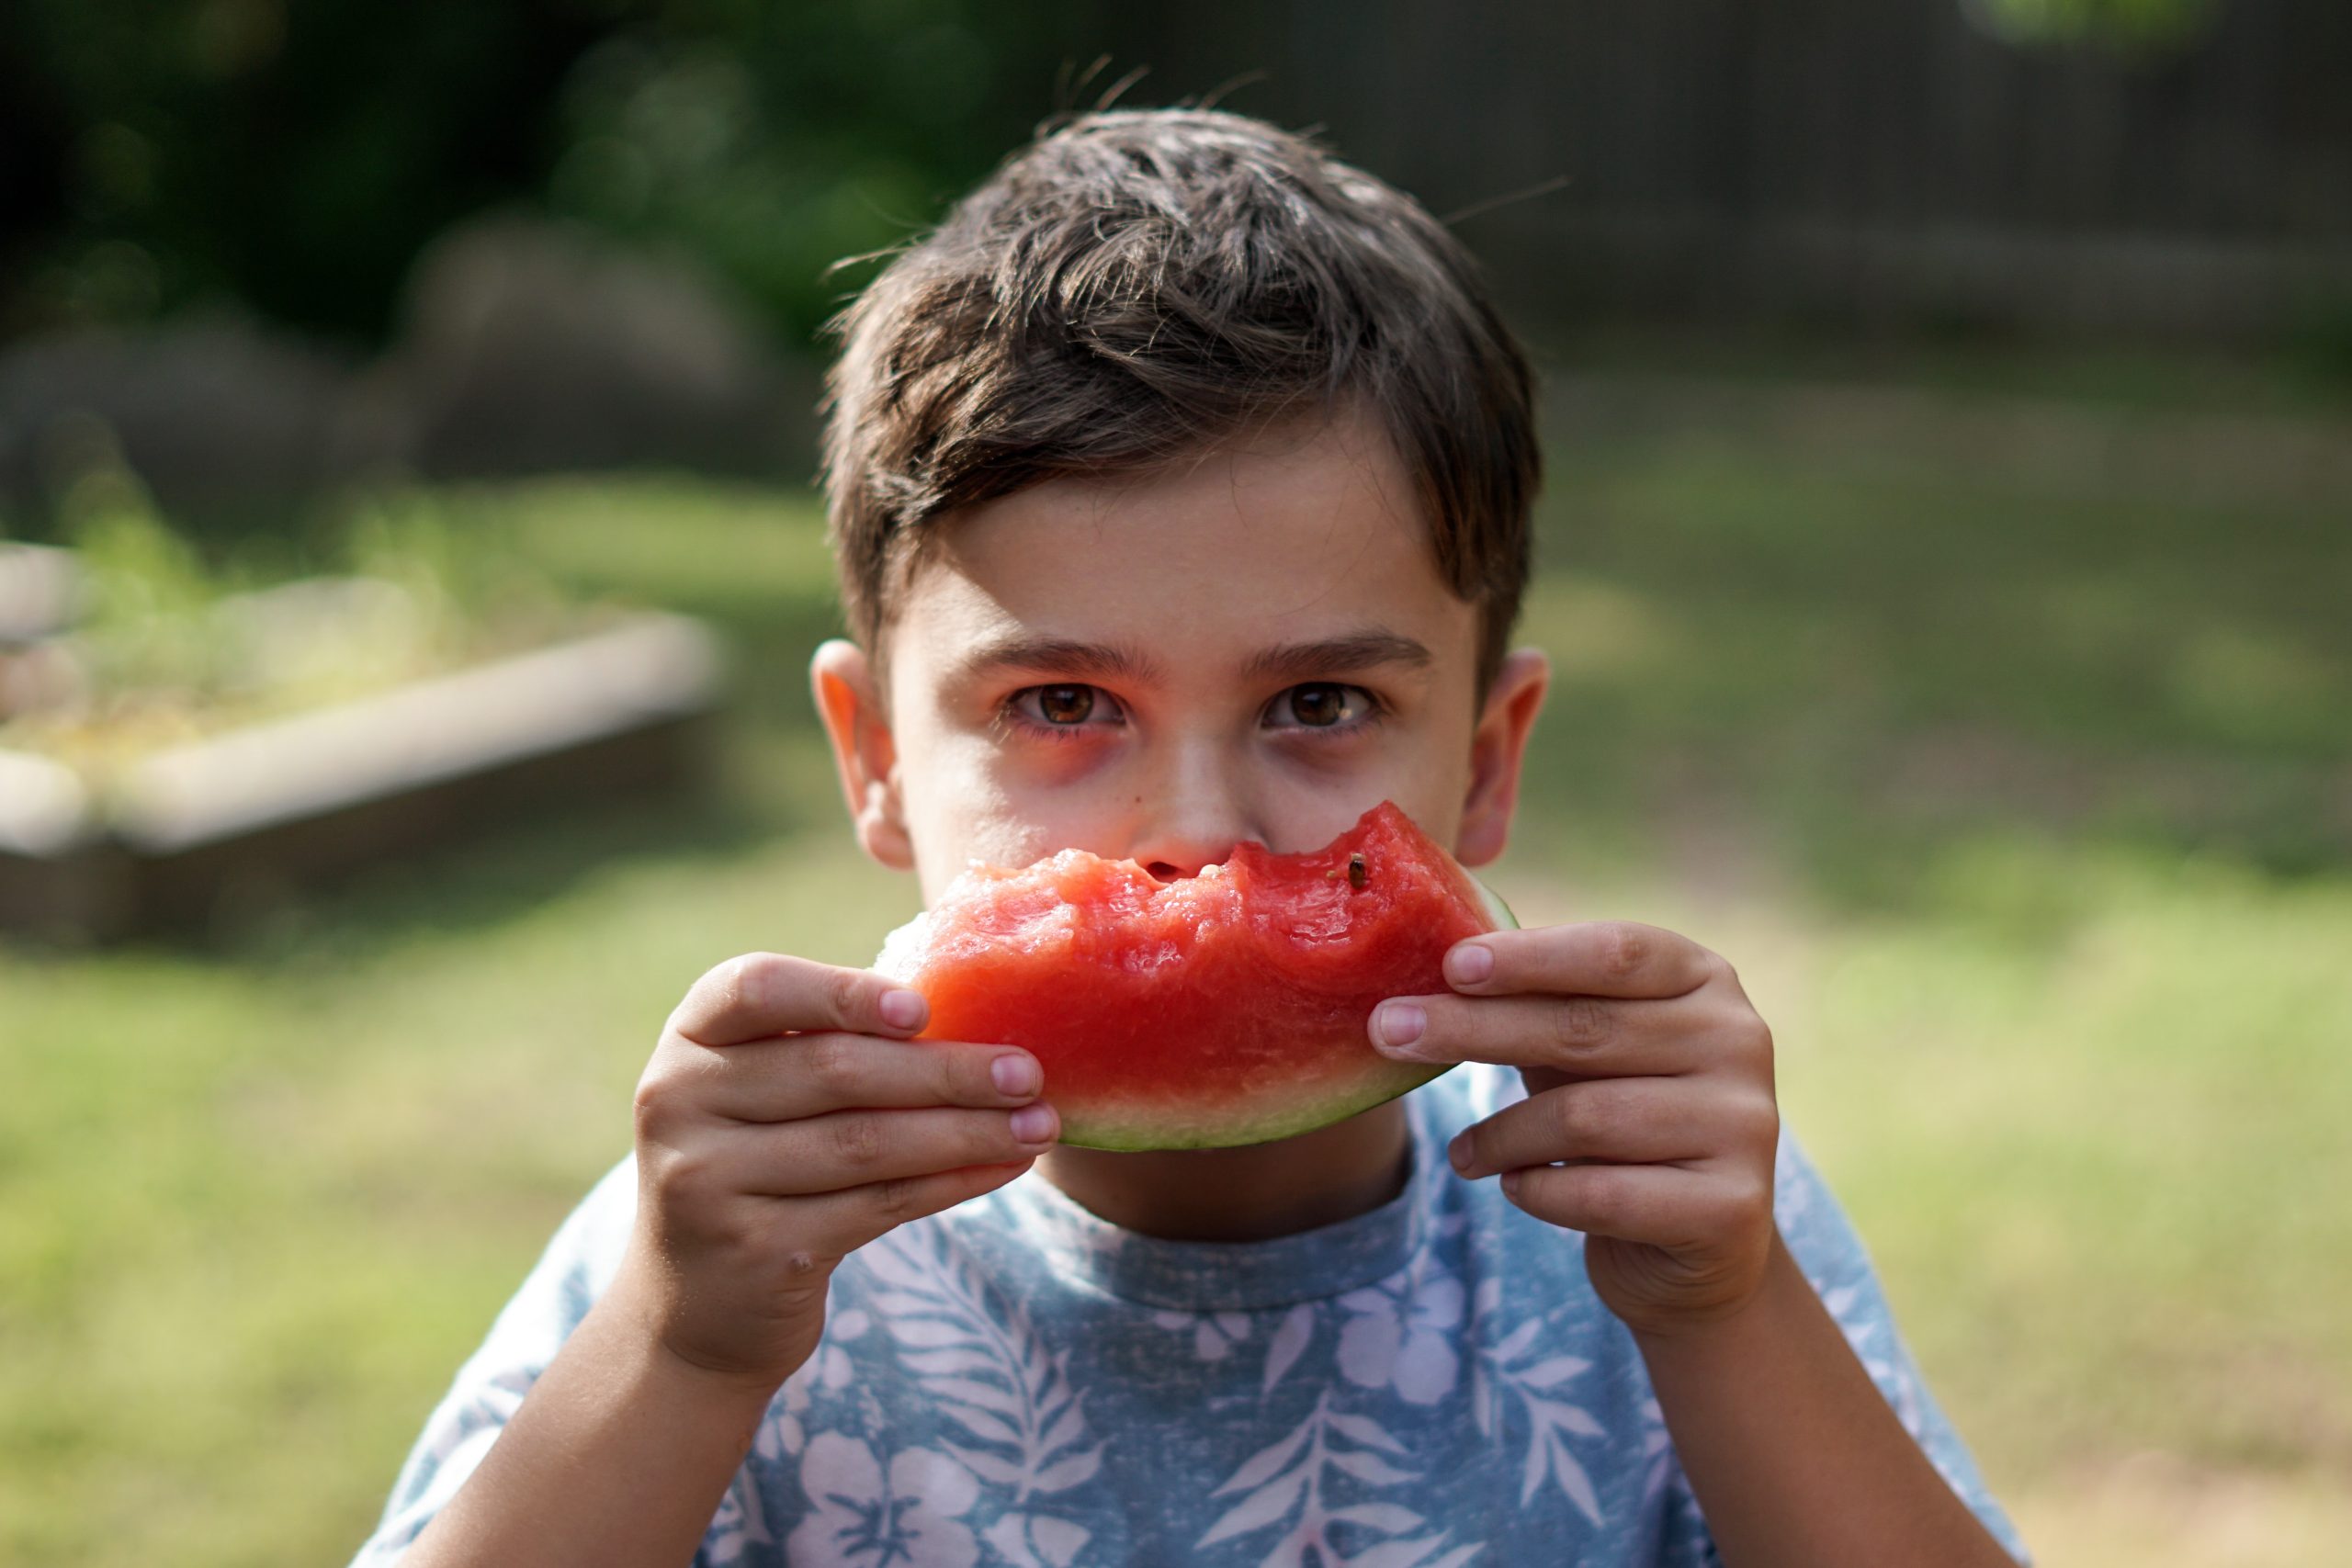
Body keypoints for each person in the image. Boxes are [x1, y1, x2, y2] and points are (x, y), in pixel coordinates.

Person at [352, 107, 2030, 1567]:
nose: (1195, 833)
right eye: (1064, 706)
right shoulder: (729, 1248)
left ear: (1490, 758)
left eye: (1316, 706)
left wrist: (1727, 1316)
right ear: (871, 760)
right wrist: (681, 1350)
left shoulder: (1652, 1216)